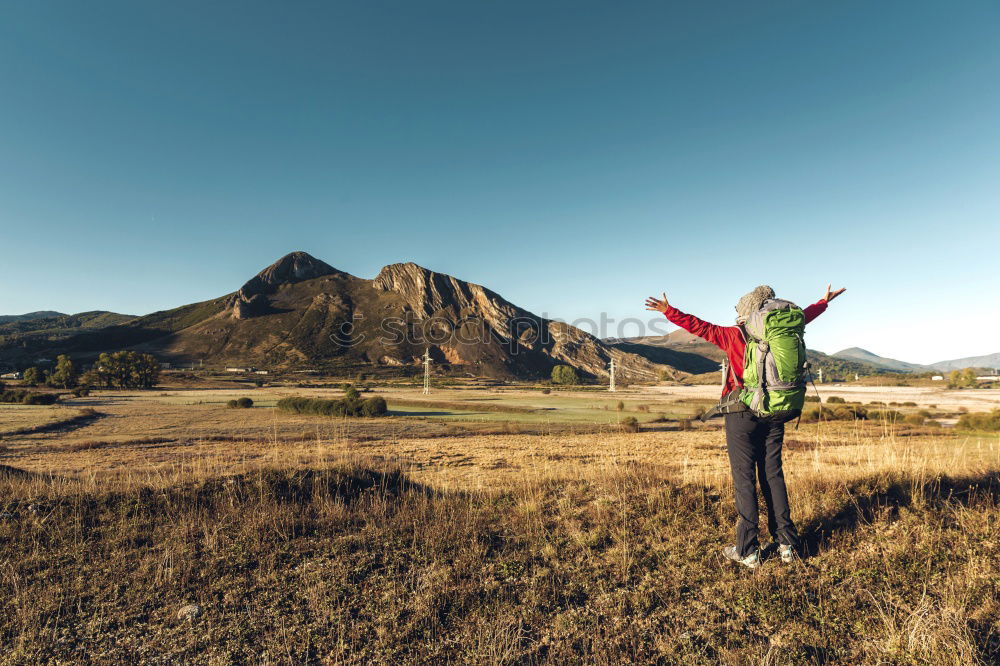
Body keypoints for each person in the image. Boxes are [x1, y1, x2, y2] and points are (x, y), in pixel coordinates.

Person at [644, 284, 845, 569]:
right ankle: (787, 543)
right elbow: (804, 316)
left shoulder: (733, 334)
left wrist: (668, 311)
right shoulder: (779, 330)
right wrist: (823, 302)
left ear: (745, 310)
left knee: (744, 478)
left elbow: (700, 327)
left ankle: (747, 549)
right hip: (775, 408)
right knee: (773, 474)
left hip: (740, 412)